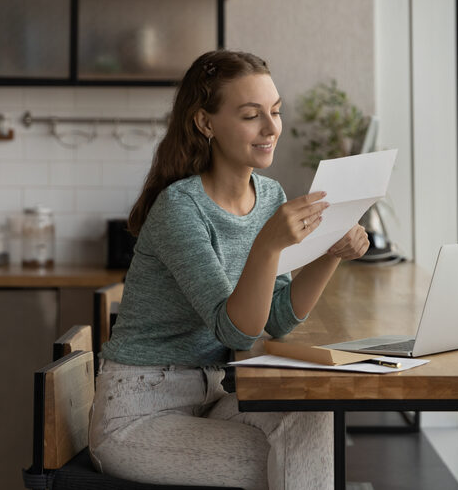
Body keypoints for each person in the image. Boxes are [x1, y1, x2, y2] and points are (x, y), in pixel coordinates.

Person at [88, 50, 369, 489]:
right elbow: (235, 331)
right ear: (206, 123)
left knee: (315, 418)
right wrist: (268, 244)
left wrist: (329, 252)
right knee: (280, 461)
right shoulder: (180, 209)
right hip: (140, 411)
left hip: (216, 393)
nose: (271, 128)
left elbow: (275, 319)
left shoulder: (270, 194)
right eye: (251, 115)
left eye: (275, 112)